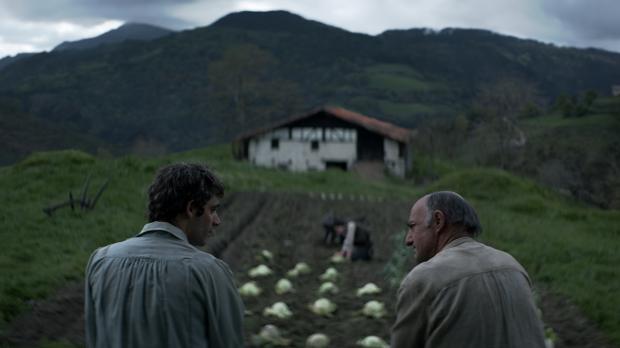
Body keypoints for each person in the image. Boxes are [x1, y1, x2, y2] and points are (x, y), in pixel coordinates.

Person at [85, 163, 244, 348]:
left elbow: (94, 338)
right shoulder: (209, 272)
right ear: (191, 209)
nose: (217, 221)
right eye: (213, 209)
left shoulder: (101, 261)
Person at [391, 191, 546, 348]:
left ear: (438, 221)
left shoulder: (424, 278)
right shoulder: (513, 267)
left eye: (412, 227)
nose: (408, 239)